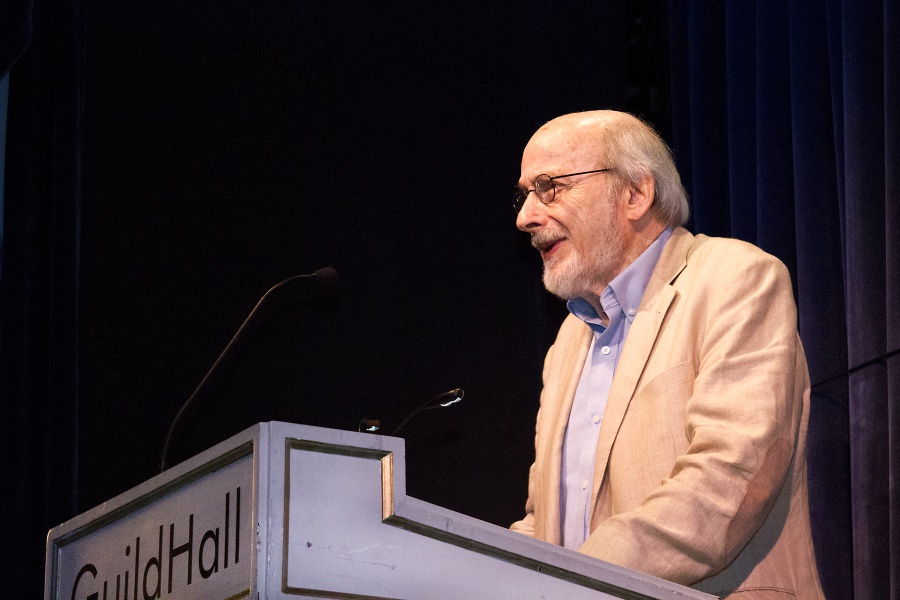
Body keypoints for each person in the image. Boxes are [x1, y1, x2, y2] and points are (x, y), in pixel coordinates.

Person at [509, 110, 824, 599]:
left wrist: (566, 583)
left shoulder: (735, 279)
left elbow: (729, 479)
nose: (525, 216)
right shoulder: (569, 339)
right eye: (525, 193)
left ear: (636, 194)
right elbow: (545, 522)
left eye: (549, 187)